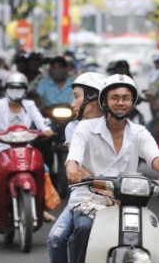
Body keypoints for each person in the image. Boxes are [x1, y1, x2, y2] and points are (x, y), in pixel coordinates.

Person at [64, 74, 159, 263]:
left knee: (157, 234)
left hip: (128, 201)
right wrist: (73, 170)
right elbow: (73, 157)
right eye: (114, 98)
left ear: (132, 103)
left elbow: (156, 159)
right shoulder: (85, 128)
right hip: (89, 198)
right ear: (104, 102)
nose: (120, 103)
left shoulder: (139, 132)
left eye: (126, 98)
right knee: (84, 228)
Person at [47, 72, 106, 263]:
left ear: (93, 98)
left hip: (121, 195)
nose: (72, 104)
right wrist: (104, 184)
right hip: (84, 197)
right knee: (56, 238)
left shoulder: (120, 126)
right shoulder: (73, 127)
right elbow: (76, 164)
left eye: (76, 97)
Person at [0, 72, 54, 219]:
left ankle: (41, 207)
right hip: (1, 149)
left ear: (25, 90)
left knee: (44, 169)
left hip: (26, 148)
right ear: (6, 88)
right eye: (12, 87)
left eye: (19, 88)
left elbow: (40, 122)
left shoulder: (30, 105)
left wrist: (46, 130)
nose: (15, 90)